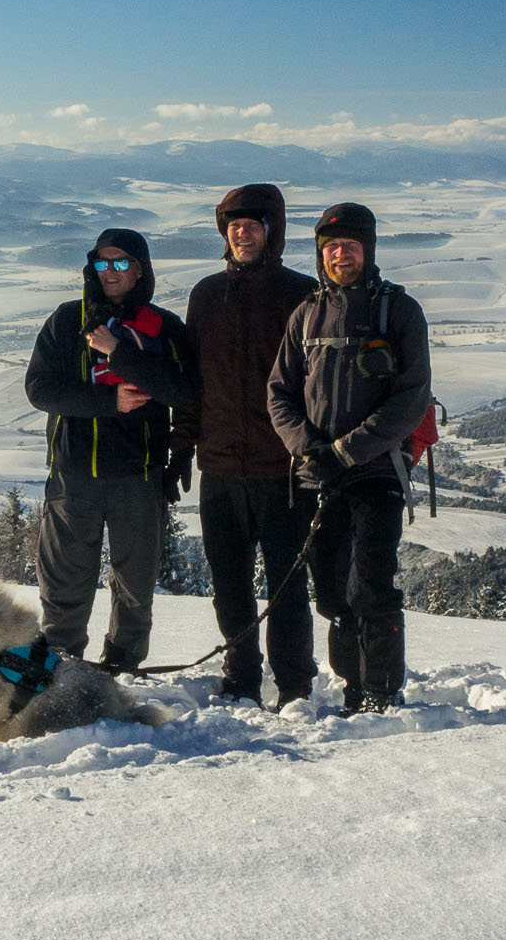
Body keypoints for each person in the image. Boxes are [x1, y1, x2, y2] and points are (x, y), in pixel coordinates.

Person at [267, 202, 430, 714]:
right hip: (319, 477)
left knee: (372, 585)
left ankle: (381, 691)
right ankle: (353, 683)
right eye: (332, 247)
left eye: (350, 246)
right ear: (321, 254)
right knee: (333, 594)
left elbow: (411, 399)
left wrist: (346, 451)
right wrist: (308, 447)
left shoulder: (398, 311)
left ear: (369, 250)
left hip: (377, 471)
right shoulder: (306, 314)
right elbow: (279, 393)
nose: (341, 254)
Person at [171, 184, 321, 709]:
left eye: (253, 224)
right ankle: (240, 677)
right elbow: (193, 383)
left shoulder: (302, 294)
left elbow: (316, 385)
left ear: (272, 231)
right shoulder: (206, 295)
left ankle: (296, 682)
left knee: (286, 589)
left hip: (281, 470)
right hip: (219, 468)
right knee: (229, 585)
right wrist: (182, 445)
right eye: (234, 225)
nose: (242, 232)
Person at [24, 229, 196, 672]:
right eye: (103, 263)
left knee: (136, 582)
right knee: (64, 582)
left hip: (139, 474)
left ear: (140, 269)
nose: (112, 272)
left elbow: (181, 390)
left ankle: (123, 666)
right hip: (73, 474)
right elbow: (39, 389)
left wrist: (118, 352)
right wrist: (108, 402)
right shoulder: (66, 320)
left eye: (122, 263)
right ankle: (59, 665)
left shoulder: (164, 327)